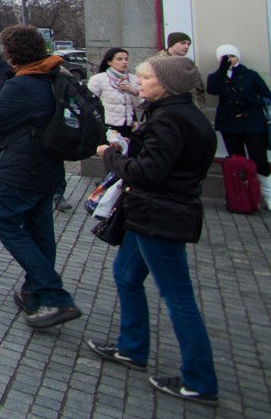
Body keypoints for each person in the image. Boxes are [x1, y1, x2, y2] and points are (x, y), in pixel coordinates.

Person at [88, 55, 219, 407]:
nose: (139, 82)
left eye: (146, 78)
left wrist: (109, 155)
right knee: (126, 274)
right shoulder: (179, 115)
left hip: (160, 215)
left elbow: (147, 172)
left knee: (177, 296)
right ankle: (132, 347)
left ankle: (200, 381)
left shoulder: (170, 120)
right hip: (150, 212)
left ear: (167, 85)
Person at [0, 24, 82, 329]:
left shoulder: (22, 85)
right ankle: (36, 293)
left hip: (20, 169)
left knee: (7, 224)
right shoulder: (55, 76)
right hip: (49, 167)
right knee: (41, 231)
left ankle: (54, 294)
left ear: (12, 53)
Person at [207, 43, 271, 208]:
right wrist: (222, 70)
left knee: (259, 158)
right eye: (225, 57)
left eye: (233, 56)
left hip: (253, 123)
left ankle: (267, 195)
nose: (230, 60)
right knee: (237, 160)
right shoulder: (217, 76)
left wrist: (250, 101)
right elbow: (212, 90)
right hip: (230, 124)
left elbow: (267, 97)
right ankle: (241, 197)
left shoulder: (251, 75)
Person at [88, 47, 142, 138]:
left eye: (126, 59)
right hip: (108, 125)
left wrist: (134, 91)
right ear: (109, 62)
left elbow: (140, 105)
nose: (124, 62)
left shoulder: (134, 79)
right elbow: (89, 102)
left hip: (128, 125)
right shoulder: (98, 79)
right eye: (119, 59)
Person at [156, 32, 205, 109]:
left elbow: (199, 90)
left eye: (188, 44)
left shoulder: (189, 64)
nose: (187, 47)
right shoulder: (157, 63)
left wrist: (200, 109)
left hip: (190, 110)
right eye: (183, 43)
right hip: (168, 109)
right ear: (172, 44)